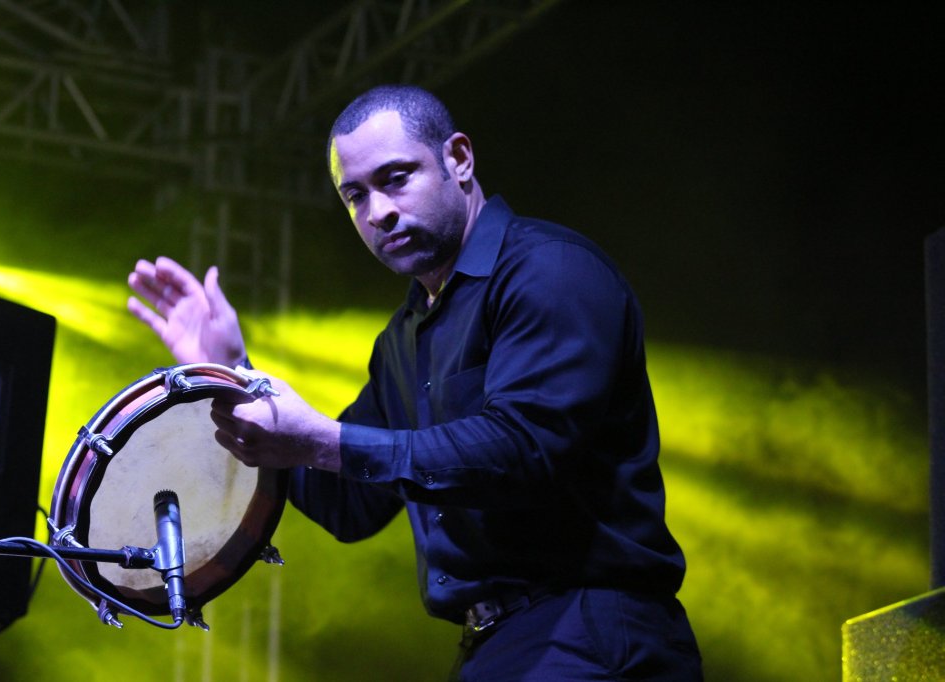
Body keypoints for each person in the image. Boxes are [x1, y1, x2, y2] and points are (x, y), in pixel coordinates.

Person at [127, 84, 702, 680]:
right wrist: (234, 373)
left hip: (591, 630)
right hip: (500, 645)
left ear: (459, 158)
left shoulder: (548, 270)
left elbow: (524, 447)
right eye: (355, 195)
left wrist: (325, 440)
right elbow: (349, 505)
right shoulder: (402, 338)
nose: (378, 212)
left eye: (396, 178)